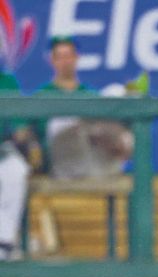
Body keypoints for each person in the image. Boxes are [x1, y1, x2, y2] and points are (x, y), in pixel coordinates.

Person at [36, 36, 133, 181]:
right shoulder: (42, 95)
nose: (65, 61)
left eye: (69, 56)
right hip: (62, 163)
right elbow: (41, 135)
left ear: (76, 58)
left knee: (116, 98)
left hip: (93, 160)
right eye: (60, 57)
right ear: (52, 60)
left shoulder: (90, 94)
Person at [0, 70, 30, 261]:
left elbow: (20, 128)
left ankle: (4, 242)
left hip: (3, 149)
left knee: (17, 170)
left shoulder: (8, 81)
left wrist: (21, 134)